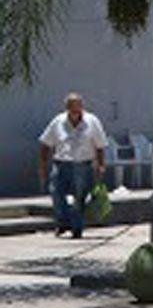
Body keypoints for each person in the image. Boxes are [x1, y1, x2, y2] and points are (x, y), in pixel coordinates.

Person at [37, 92, 108, 238]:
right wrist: (43, 166)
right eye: (72, 109)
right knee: (56, 193)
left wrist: (101, 165)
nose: (75, 113)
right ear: (67, 109)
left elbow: (100, 145)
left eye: (78, 109)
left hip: (83, 165)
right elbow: (45, 143)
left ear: (82, 108)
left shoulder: (92, 121)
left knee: (79, 198)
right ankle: (62, 222)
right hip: (61, 163)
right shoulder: (58, 121)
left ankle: (76, 227)